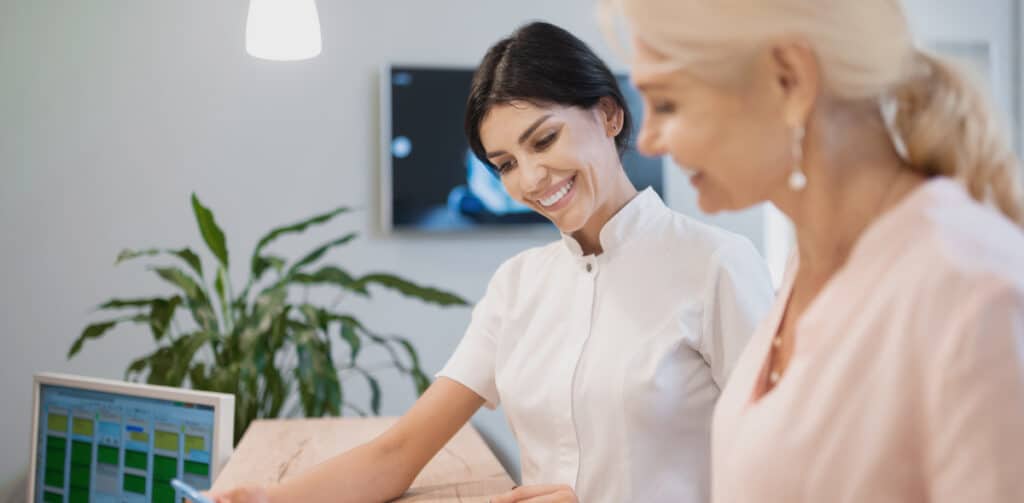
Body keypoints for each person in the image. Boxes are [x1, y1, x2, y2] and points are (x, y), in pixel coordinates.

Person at [207, 21, 773, 503]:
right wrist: (270, 499)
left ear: (608, 115)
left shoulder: (716, 264)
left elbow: (788, 475)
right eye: (504, 163)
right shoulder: (518, 285)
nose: (529, 180)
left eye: (544, 140)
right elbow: (400, 453)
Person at [601, 0, 1024, 501]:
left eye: (667, 104)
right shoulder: (814, 259)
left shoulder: (974, 294)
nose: (646, 141)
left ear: (790, 80)